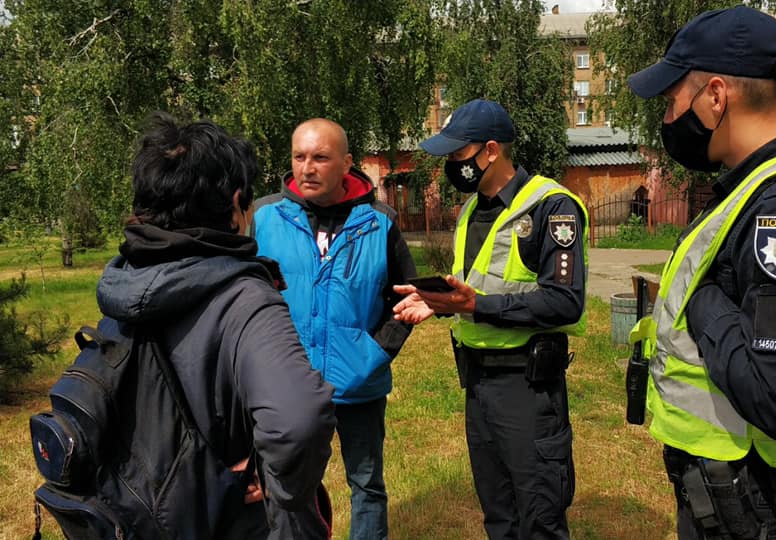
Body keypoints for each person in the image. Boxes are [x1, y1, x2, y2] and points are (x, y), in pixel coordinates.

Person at [625, 6, 776, 539]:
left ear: (716, 96)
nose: (669, 120)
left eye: (673, 102)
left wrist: (702, 299)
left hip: (755, 508)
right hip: (731, 497)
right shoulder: (754, 190)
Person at [97, 113, 337, 538]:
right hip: (224, 519)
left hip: (140, 510)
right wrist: (279, 481)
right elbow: (299, 421)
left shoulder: (124, 279)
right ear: (236, 205)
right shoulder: (242, 296)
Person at [393, 99, 589, 539]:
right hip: (478, 386)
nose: (451, 165)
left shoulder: (551, 208)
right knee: (499, 516)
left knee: (538, 516)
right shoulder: (469, 213)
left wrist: (473, 306)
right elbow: (476, 287)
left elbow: (564, 302)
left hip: (528, 389)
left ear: (492, 150)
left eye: (459, 155)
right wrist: (440, 304)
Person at [253, 118, 417, 540]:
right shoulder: (264, 218)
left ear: (346, 163)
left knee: (366, 484)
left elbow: (406, 296)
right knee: (288, 487)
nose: (307, 168)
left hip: (359, 383)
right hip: (288, 386)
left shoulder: (380, 221)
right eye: (299, 157)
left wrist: (375, 353)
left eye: (320, 158)